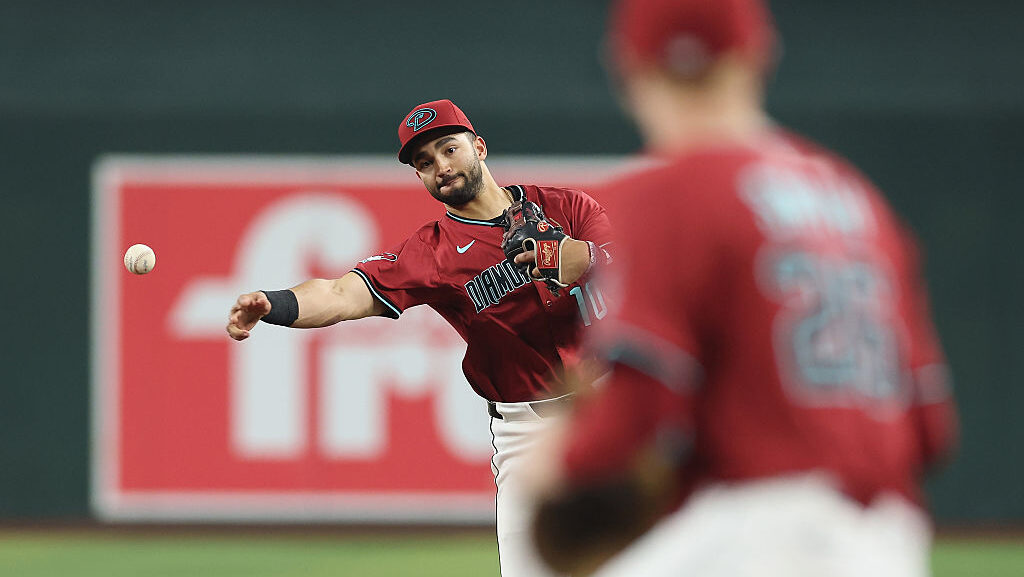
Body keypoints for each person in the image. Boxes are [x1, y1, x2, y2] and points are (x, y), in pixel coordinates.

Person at [529, 1, 959, 576]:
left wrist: (557, 465)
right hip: (887, 544)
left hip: (757, 538)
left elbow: (639, 414)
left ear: (625, 66)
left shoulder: (663, 193)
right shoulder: (860, 203)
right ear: (760, 54)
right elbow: (933, 431)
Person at [226, 98, 613, 577]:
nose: (440, 168)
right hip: (529, 432)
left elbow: (634, 267)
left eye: (449, 150)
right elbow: (342, 293)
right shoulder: (432, 253)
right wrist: (274, 304)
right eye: (424, 163)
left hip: (616, 406)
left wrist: (570, 255)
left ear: (479, 147)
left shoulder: (567, 208)